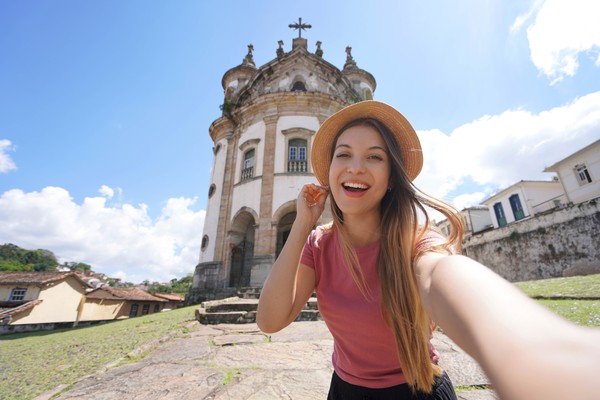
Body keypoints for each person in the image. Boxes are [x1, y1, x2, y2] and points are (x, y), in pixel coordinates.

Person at [256, 100, 600, 400]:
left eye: (374, 157)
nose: (355, 166)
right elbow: (270, 320)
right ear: (329, 171)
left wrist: (536, 350)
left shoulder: (415, 240)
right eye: (343, 154)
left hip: (418, 391)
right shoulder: (319, 244)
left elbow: (442, 275)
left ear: (392, 178)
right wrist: (302, 224)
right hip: (343, 391)